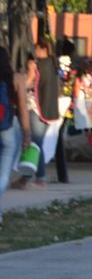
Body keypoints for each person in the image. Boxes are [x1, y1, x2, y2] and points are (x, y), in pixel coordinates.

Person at [26, 40, 66, 185]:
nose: (35, 51)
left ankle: (37, 177)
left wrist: (28, 74)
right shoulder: (54, 65)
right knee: (39, 144)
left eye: (36, 48)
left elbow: (28, 84)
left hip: (37, 108)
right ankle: (31, 177)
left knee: (36, 144)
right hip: (50, 110)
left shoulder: (37, 65)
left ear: (43, 49)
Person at [0, 47, 31, 226]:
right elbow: (23, 110)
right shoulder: (17, 78)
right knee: (4, 173)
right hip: (8, 128)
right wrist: (27, 135)